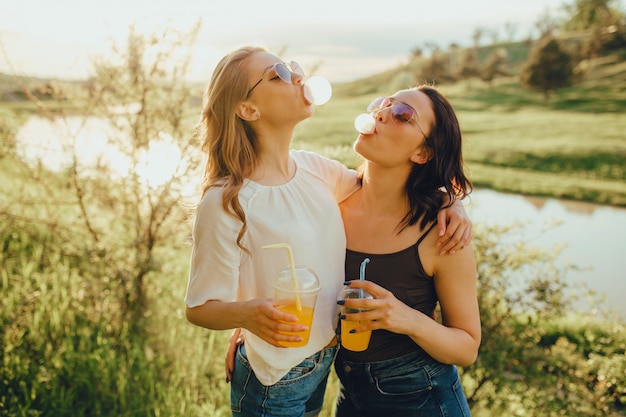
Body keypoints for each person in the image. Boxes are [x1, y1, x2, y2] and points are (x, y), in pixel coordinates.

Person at [184, 46, 472, 417]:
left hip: (366, 382)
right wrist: (247, 319)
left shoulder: (317, 172)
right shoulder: (239, 199)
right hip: (296, 382)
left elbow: (376, 187)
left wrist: (451, 200)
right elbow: (207, 302)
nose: (298, 78)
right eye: (279, 75)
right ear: (248, 110)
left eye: (401, 114)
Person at [334, 86, 481, 416]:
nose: (381, 114)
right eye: (382, 105)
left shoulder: (441, 233)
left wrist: (405, 319)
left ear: (423, 153)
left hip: (421, 395)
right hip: (349, 392)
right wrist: (248, 332)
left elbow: (467, 346)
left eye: (402, 114)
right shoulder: (331, 200)